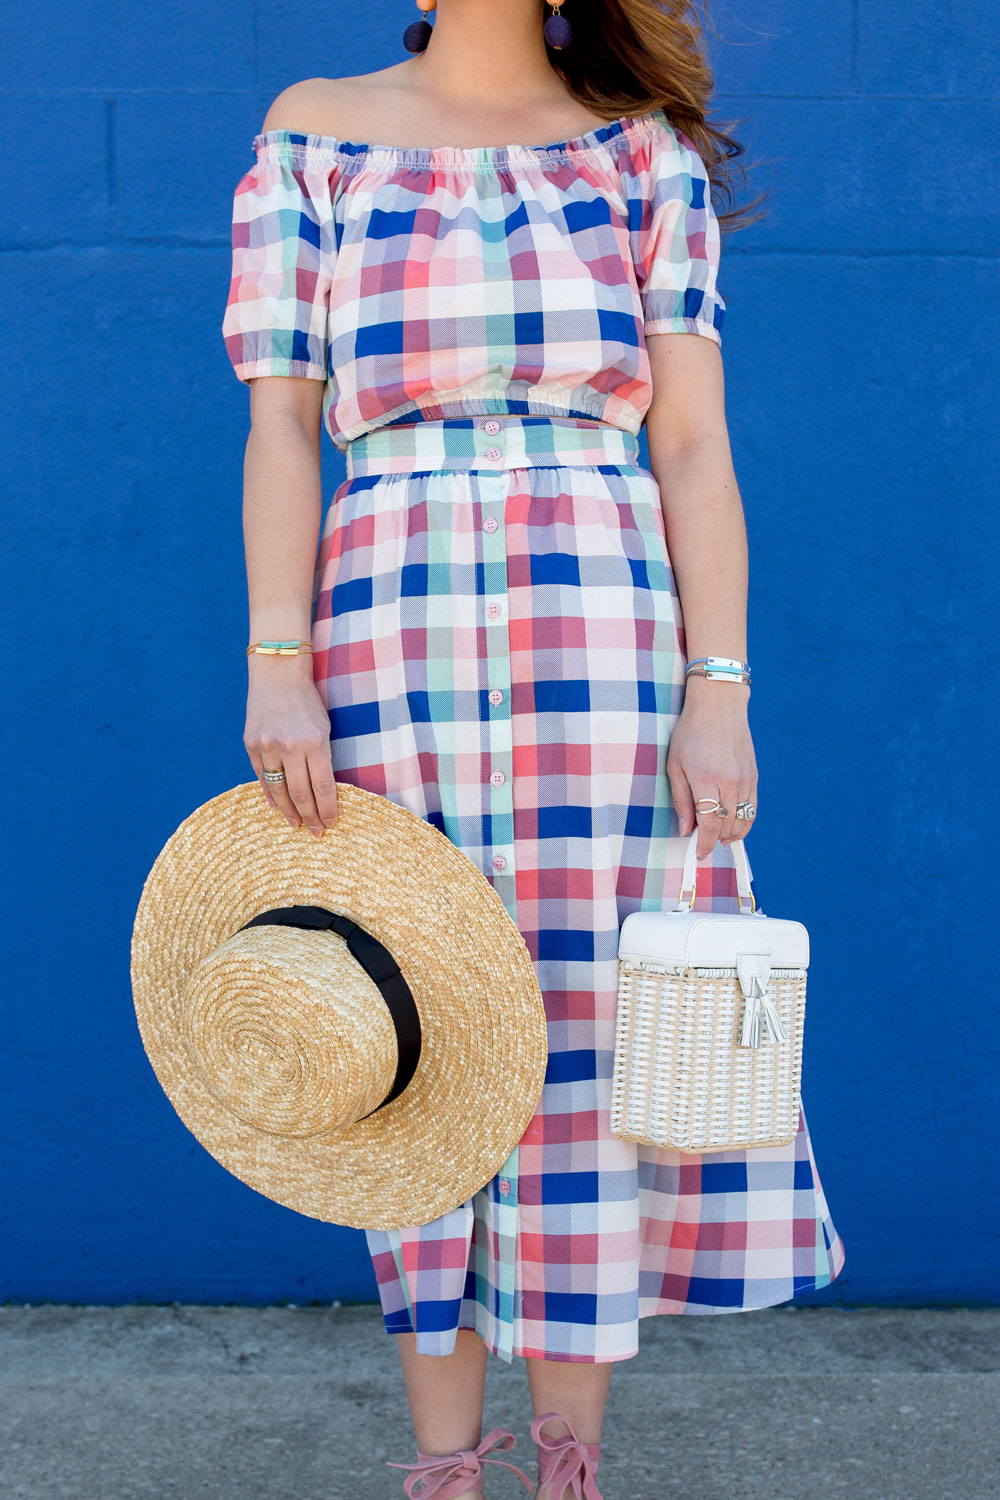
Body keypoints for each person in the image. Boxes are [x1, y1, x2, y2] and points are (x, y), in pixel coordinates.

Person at [222, 3, 846, 1495]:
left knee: (584, 1031)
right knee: (412, 1025)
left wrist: (721, 685)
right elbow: (284, 430)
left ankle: (570, 1465)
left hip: (604, 626)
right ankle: (447, 1471)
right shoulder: (316, 130)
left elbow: (691, 440)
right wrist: (277, 666)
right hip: (385, 620)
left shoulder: (639, 155)